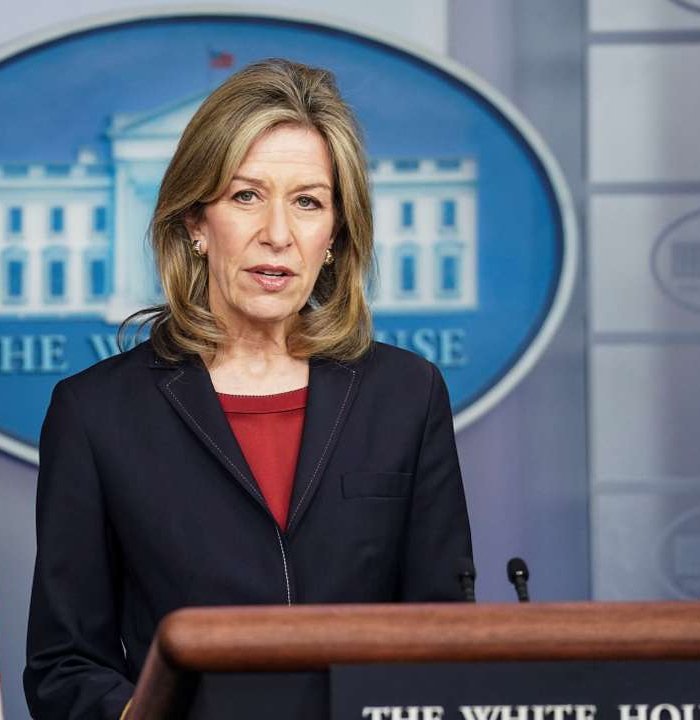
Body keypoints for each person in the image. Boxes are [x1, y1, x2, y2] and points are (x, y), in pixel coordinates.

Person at [24, 58, 473, 719]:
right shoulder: (96, 413)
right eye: (246, 196)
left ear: (335, 236)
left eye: (307, 202)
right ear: (194, 223)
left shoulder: (407, 394)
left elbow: (446, 636)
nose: (277, 235)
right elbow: (64, 666)